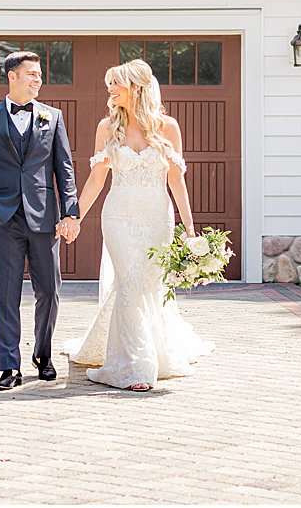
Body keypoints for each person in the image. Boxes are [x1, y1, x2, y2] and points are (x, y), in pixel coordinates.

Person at [63, 59, 214, 390]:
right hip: (118, 217)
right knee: (130, 282)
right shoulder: (107, 128)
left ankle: (152, 353)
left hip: (156, 218)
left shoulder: (168, 128)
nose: (110, 90)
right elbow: (95, 181)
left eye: (115, 84)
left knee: (148, 286)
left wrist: (190, 230)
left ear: (137, 87)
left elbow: (176, 183)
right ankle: (137, 367)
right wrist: (75, 216)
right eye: (109, 84)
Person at [0, 50, 80, 391]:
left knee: (50, 292)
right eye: (31, 74)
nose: (37, 80)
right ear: (12, 76)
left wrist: (70, 211)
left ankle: (42, 355)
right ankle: (9, 367)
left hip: (45, 218)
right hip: (5, 218)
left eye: (39, 75)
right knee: (6, 294)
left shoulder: (52, 117)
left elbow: (65, 169)